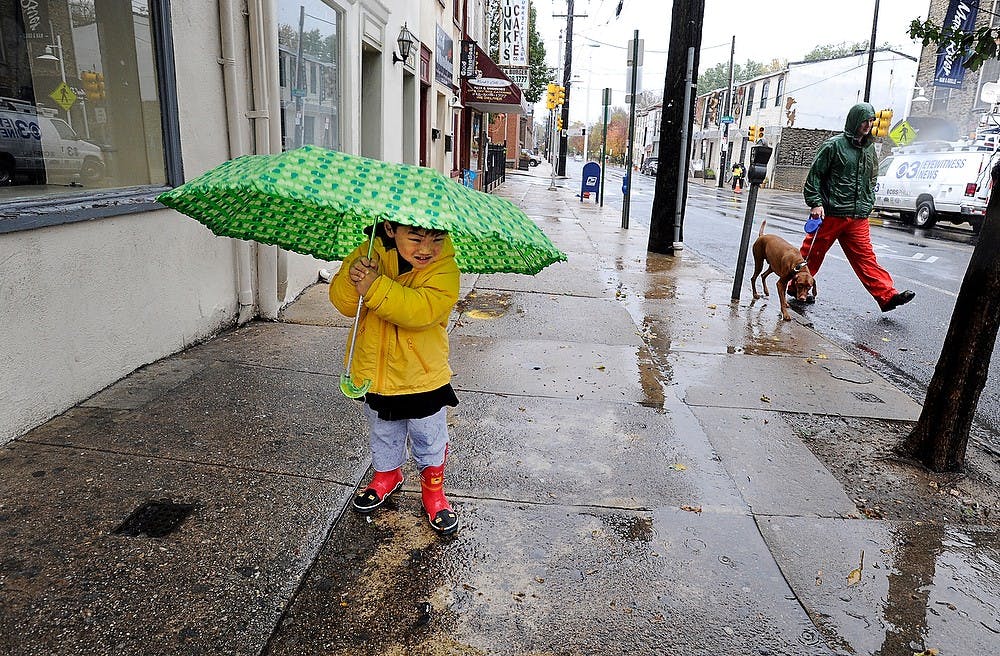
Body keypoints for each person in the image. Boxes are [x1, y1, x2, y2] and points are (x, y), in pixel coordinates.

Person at [329, 220, 461, 535]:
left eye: (436, 239)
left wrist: (374, 286)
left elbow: (419, 310)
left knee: (428, 436)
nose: (427, 249)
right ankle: (387, 475)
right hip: (376, 371)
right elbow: (345, 305)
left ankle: (433, 491)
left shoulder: (445, 271)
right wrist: (353, 278)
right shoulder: (369, 251)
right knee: (383, 431)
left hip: (422, 376)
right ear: (390, 230)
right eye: (416, 238)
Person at [795, 102, 915, 312]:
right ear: (854, 121)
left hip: (858, 216)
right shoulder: (833, 146)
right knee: (811, 254)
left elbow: (871, 179)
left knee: (866, 258)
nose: (868, 124)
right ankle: (794, 286)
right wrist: (815, 203)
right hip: (831, 213)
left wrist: (867, 204)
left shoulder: (869, 150)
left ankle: (887, 296)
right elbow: (815, 176)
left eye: (871, 120)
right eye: (864, 120)